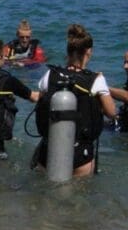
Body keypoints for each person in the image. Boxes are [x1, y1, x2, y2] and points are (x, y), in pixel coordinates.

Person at [33, 24, 116, 177]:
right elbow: (112, 113)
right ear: (88, 52)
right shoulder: (96, 79)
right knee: (78, 199)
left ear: (68, 51)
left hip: (49, 148)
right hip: (80, 151)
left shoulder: (50, 74)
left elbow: (41, 102)